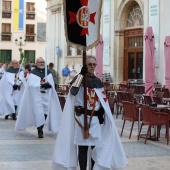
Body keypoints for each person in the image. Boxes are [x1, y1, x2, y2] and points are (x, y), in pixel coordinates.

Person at [52, 55, 127, 170]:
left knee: (95, 148)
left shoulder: (98, 82)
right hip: (81, 119)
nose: (92, 67)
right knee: (82, 148)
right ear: (85, 66)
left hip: (95, 121)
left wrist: (103, 114)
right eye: (89, 64)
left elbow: (102, 101)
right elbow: (73, 92)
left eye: (94, 64)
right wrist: (81, 75)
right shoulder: (79, 79)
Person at [15, 57, 62, 138]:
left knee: (45, 113)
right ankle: (40, 130)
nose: (41, 63)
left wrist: (49, 85)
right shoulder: (33, 73)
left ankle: (41, 127)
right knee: (38, 113)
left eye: (43, 62)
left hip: (46, 95)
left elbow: (52, 84)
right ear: (36, 63)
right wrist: (41, 85)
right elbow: (31, 85)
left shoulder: (48, 73)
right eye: (40, 62)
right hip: (36, 96)